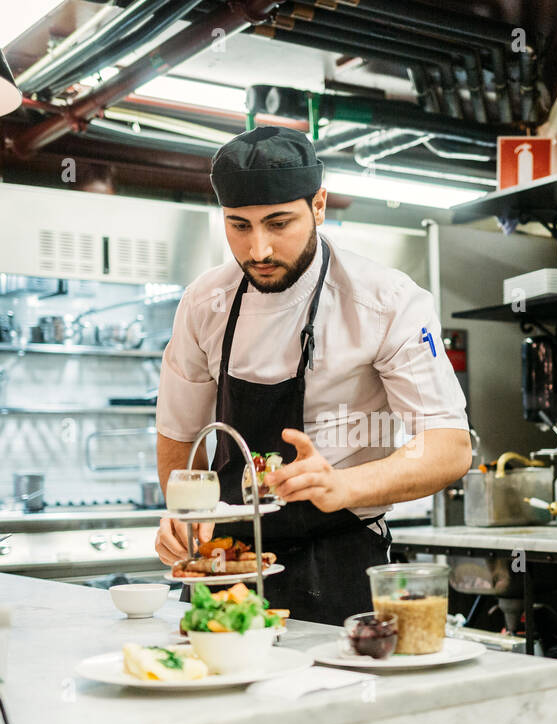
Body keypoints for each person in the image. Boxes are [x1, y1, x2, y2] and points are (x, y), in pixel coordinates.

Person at [154, 126, 471, 625]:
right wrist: (182, 514)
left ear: (318, 206)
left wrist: (343, 486)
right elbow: (178, 434)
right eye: (239, 226)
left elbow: (450, 448)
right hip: (224, 565)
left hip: (339, 562)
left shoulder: (386, 301)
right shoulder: (204, 303)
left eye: (278, 223)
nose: (258, 249)